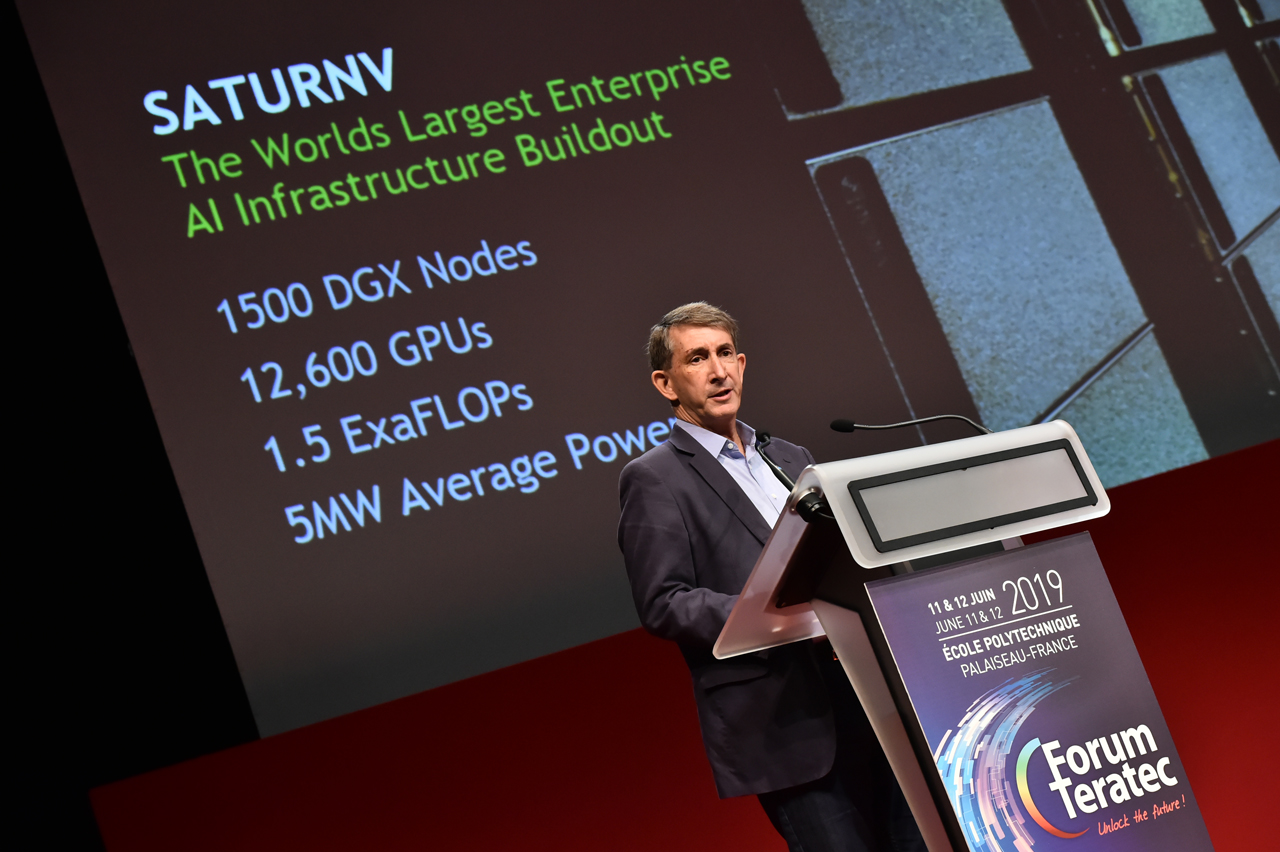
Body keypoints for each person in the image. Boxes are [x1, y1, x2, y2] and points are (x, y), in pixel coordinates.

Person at [618, 302, 924, 852]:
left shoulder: (788, 455)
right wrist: (770, 611)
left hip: (866, 696)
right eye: (697, 359)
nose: (718, 371)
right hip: (783, 723)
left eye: (725, 354)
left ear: (742, 364)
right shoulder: (654, 478)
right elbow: (664, 601)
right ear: (666, 383)